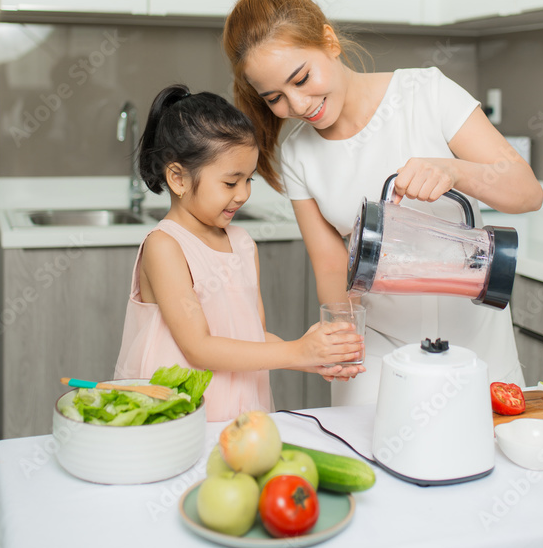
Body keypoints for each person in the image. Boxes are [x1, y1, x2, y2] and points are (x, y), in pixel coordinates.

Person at [222, 0, 543, 405]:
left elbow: (526, 192)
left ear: (329, 41)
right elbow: (332, 267)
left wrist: (453, 171)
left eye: (301, 78)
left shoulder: (427, 93)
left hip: (474, 339)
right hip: (378, 346)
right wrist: (342, 339)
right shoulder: (298, 152)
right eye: (275, 98)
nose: (299, 105)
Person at [114, 84, 363, 421]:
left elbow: (252, 337)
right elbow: (198, 347)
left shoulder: (243, 244)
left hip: (240, 409)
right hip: (179, 417)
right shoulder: (165, 247)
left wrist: (313, 356)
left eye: (250, 180)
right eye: (231, 183)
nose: (243, 193)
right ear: (178, 178)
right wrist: (296, 352)